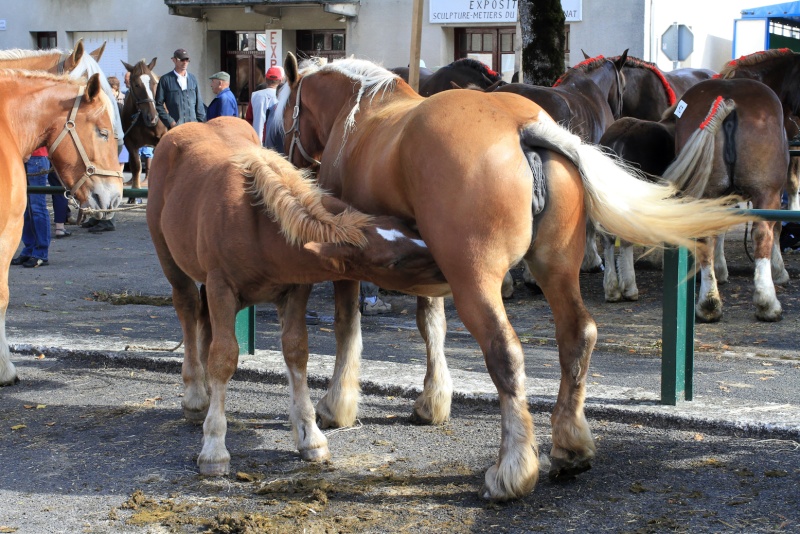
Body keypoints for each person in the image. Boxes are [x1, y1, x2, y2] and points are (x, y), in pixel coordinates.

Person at [11, 150, 51, 268]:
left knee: (37, 207)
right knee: (27, 208)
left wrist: (27, 151)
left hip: (35, 158)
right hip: (25, 157)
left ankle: (40, 253)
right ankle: (30, 249)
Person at [155, 48, 206, 129]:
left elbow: (199, 103)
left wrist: (201, 122)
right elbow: (158, 105)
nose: (185, 62)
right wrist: (170, 122)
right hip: (176, 128)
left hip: (194, 126)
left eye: (187, 60)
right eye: (182, 60)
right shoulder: (165, 80)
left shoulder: (193, 78)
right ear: (174, 60)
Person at [245, 66, 282, 148]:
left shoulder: (255, 96)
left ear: (265, 79)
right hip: (276, 141)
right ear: (280, 81)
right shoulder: (283, 97)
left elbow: (249, 119)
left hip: (256, 140)